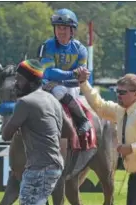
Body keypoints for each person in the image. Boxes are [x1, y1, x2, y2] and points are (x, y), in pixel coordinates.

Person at [75, 68, 136, 205]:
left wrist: (131, 148)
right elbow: (99, 106)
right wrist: (83, 82)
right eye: (117, 91)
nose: (118, 95)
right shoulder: (121, 109)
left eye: (122, 92)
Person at [1, 59, 77, 205]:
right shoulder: (52, 99)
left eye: (19, 79)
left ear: (30, 82)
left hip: (39, 169)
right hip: (53, 167)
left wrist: (8, 113)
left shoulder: (25, 102)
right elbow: (69, 132)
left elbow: (5, 135)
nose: (15, 83)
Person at [38, 8, 92, 137]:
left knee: (59, 90)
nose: (61, 31)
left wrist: (62, 80)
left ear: (72, 30)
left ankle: (82, 120)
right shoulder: (47, 46)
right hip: (46, 84)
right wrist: (73, 73)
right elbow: (49, 72)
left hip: (70, 86)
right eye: (58, 28)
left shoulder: (81, 50)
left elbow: (81, 78)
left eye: (65, 28)